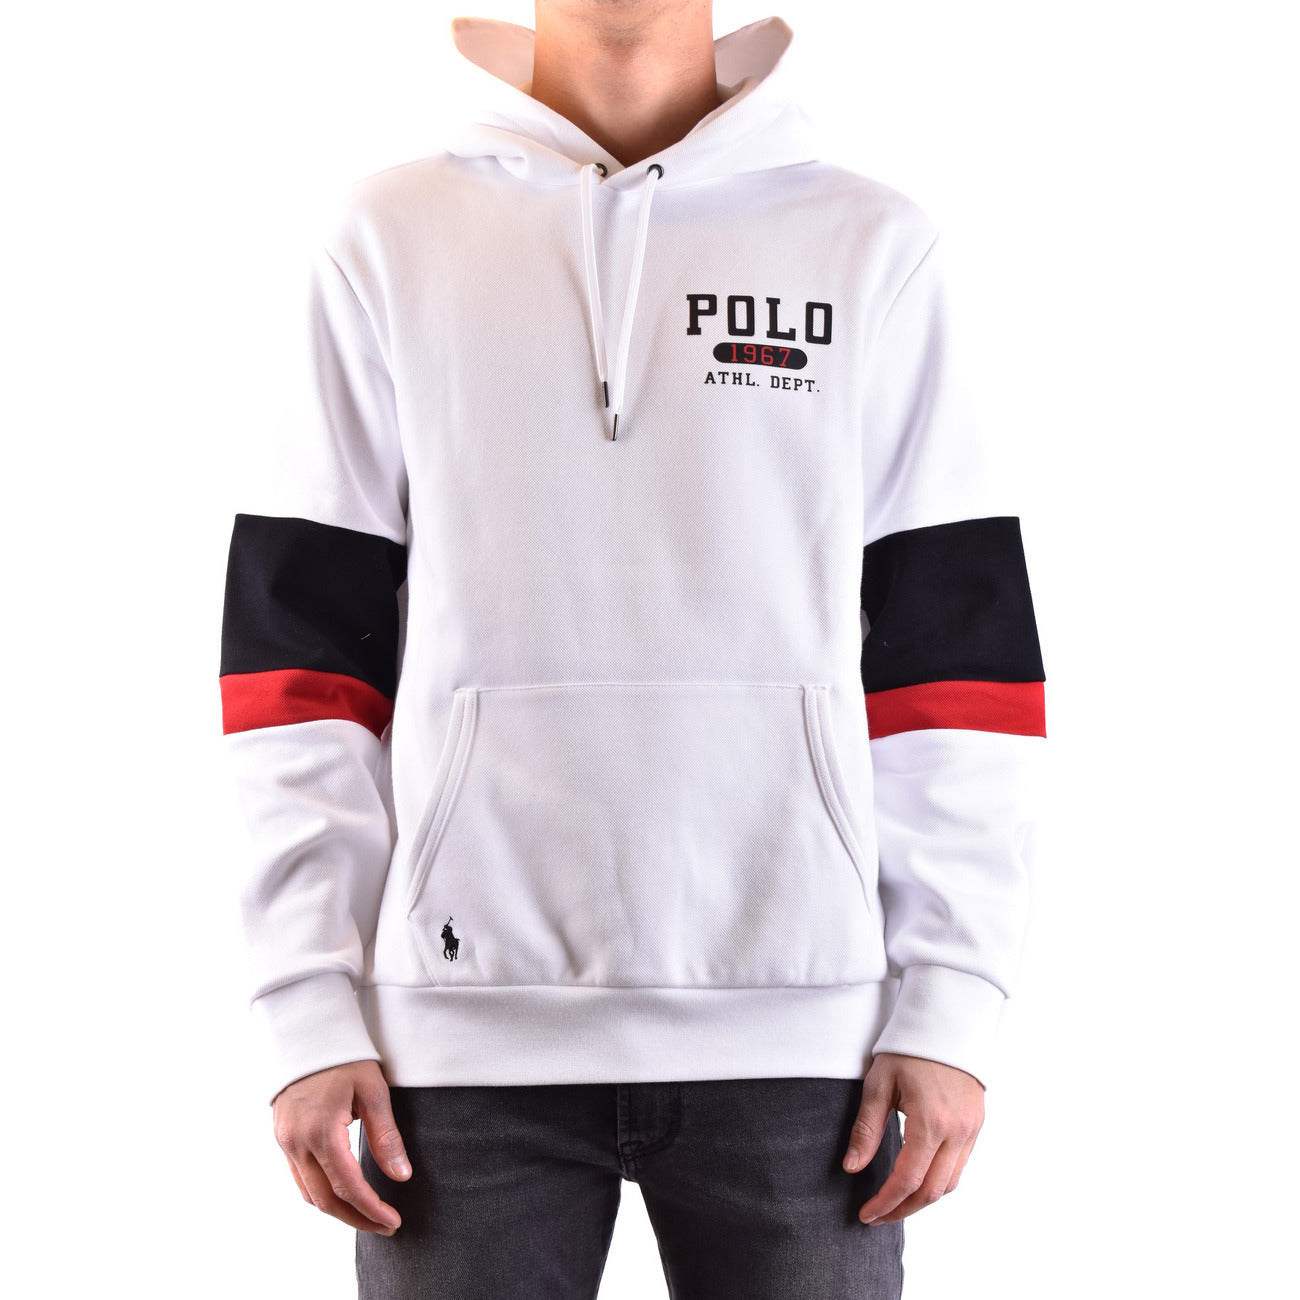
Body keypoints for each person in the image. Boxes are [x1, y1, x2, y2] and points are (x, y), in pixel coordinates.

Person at [217, 4, 1047, 1296]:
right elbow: (298, 668)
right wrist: (306, 1006)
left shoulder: (871, 246)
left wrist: (951, 996)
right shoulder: (385, 240)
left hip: (804, 1046)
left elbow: (957, 665)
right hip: (458, 1056)